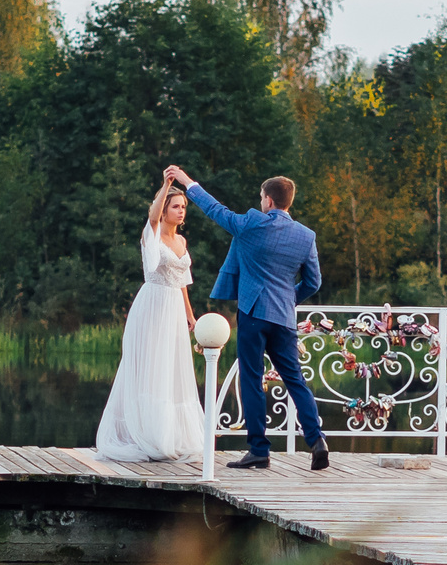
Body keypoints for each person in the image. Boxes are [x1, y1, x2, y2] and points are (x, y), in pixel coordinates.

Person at [164, 164, 328, 471]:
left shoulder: (252, 223)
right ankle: (317, 440)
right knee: (295, 379)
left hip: (253, 313)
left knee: (252, 379)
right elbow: (313, 282)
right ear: (287, 202)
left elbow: (216, 210)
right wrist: (287, 298)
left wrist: (186, 182)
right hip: (282, 316)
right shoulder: (306, 236)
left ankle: (258, 450)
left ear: (267, 199)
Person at [94, 183, 206, 462]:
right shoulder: (152, 235)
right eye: (176, 206)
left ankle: (170, 435)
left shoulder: (181, 242)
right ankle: (143, 433)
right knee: (150, 365)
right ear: (164, 210)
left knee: (172, 368)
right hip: (152, 305)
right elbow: (153, 218)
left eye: (183, 207)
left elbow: (182, 281)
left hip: (173, 309)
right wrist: (167, 184)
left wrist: (190, 314)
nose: (181, 211)